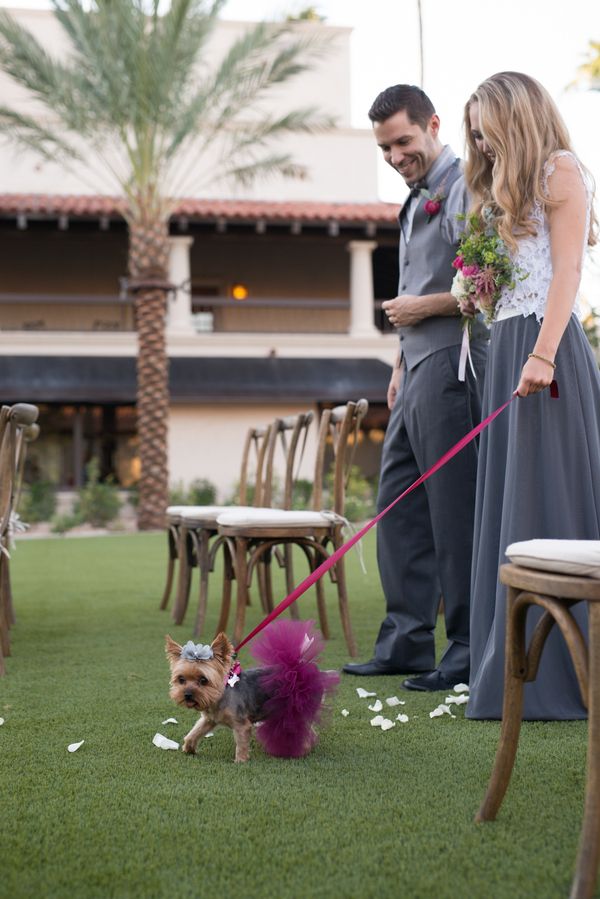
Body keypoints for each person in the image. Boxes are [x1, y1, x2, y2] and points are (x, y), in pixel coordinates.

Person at [461, 71, 599, 720]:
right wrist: (477, 288)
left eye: (484, 126)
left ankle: (564, 676)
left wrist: (542, 353)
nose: (479, 141)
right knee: (509, 498)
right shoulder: (499, 190)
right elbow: (508, 281)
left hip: (547, 352)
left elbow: (567, 271)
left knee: (550, 495)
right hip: (504, 348)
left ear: (514, 115)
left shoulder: (560, 171)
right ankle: (509, 667)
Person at [343, 85, 488, 691]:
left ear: (432, 124)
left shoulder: (465, 187)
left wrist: (418, 309)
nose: (395, 155)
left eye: (403, 141)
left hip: (456, 368)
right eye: (384, 147)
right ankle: (405, 641)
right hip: (415, 371)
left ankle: (465, 647)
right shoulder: (412, 199)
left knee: (452, 514)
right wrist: (399, 366)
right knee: (397, 508)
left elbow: (487, 290)